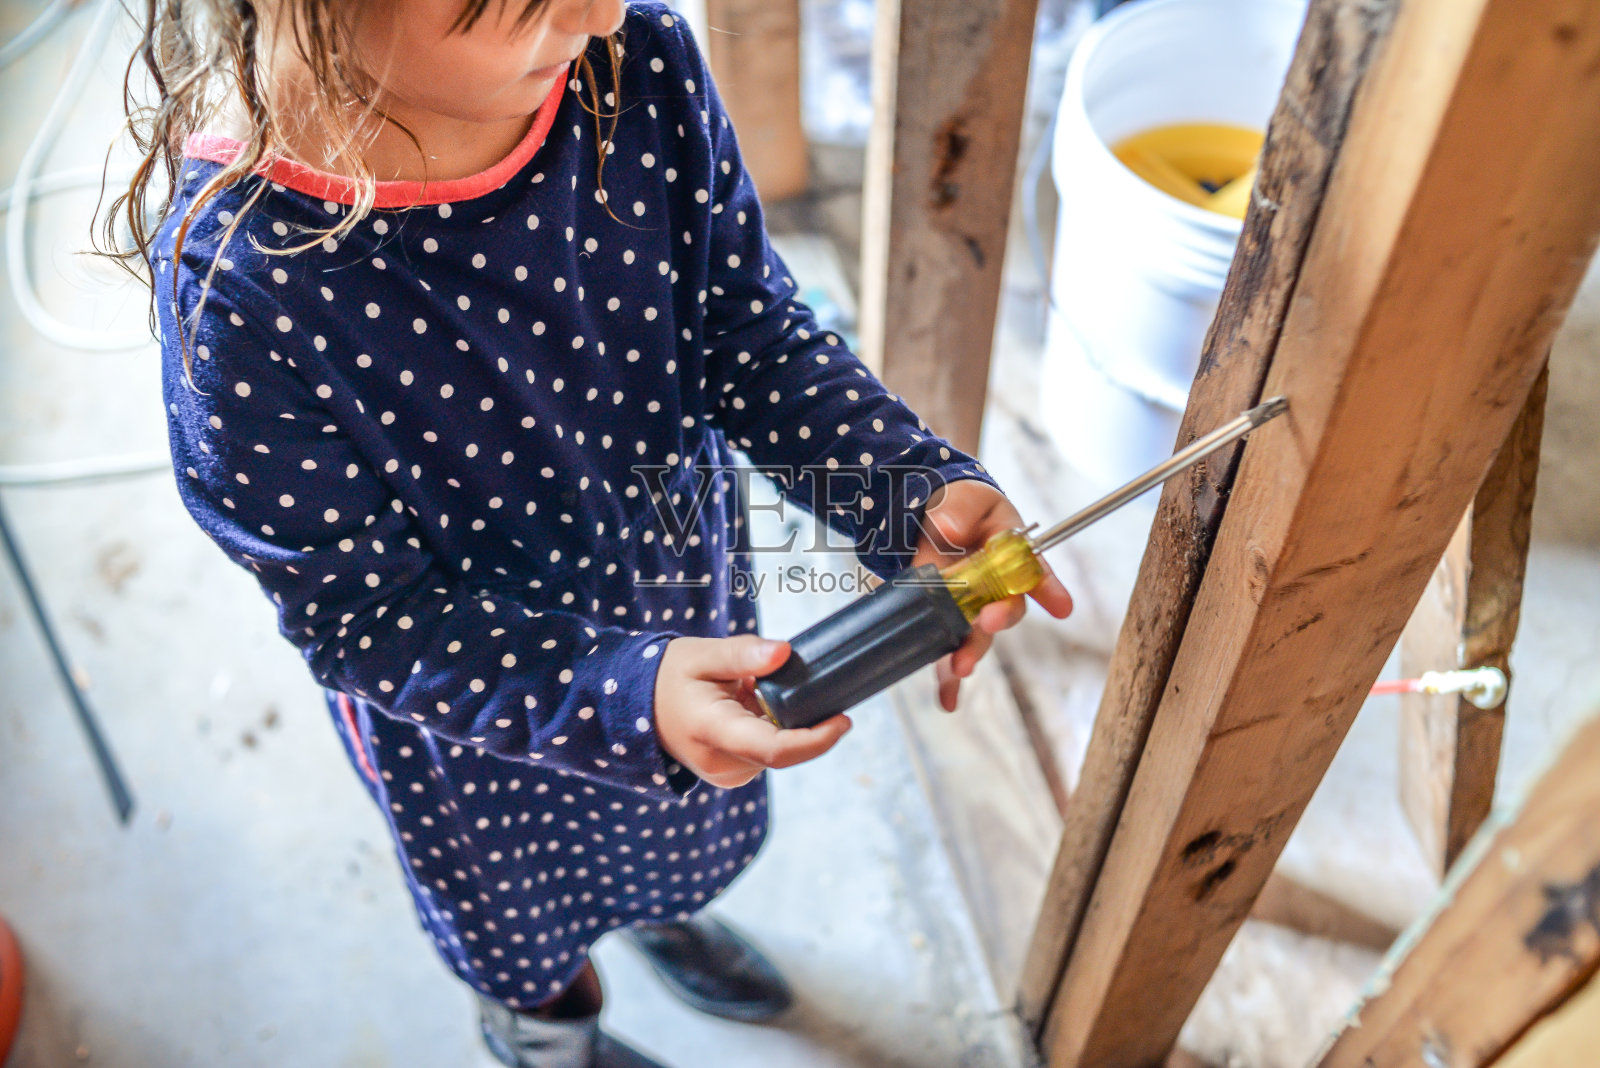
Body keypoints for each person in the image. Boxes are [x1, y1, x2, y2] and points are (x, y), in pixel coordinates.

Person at [104, 1, 1072, 1064]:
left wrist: (898, 491)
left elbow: (744, 334)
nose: (599, 8)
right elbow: (365, 616)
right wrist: (613, 697)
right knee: (527, 931)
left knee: (670, 833)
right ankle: (549, 1035)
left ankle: (663, 916)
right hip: (483, 727)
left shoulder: (632, 63)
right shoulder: (244, 283)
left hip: (678, 605)